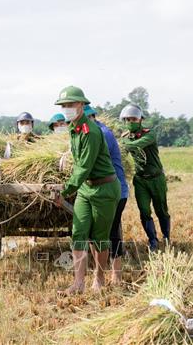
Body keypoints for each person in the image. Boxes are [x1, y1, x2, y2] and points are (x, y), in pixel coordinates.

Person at [54, 86, 121, 294]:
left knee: (100, 238)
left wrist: (65, 190)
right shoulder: (73, 129)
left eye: (71, 104)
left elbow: (84, 166)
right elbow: (78, 163)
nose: (67, 109)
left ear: (82, 105)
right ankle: (77, 284)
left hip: (104, 189)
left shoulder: (90, 131)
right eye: (64, 105)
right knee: (79, 233)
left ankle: (99, 278)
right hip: (85, 189)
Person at [83, 105, 130, 284]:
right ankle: (99, 274)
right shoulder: (87, 133)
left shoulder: (104, 134)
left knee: (111, 232)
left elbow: (88, 160)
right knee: (94, 234)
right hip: (97, 191)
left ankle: (115, 275)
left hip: (115, 192)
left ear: (92, 118)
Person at [119, 104, 170, 252]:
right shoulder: (126, 137)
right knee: (144, 211)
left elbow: (135, 145)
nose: (130, 122)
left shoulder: (149, 134)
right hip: (140, 180)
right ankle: (153, 241)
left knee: (161, 210)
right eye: (127, 119)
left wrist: (124, 142)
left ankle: (166, 237)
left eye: (133, 119)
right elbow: (122, 151)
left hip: (156, 179)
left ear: (141, 119)